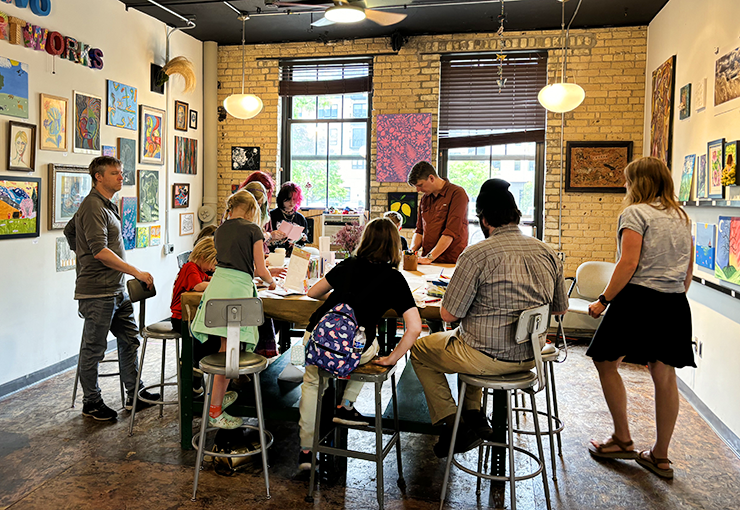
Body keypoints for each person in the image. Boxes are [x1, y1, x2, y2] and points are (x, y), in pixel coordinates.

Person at [410, 179, 568, 457]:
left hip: (488, 359)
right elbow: (559, 309)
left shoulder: (475, 254)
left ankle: (453, 425)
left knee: (422, 350)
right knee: (467, 339)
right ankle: (474, 416)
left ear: (483, 220)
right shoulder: (548, 252)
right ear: (515, 215)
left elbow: (448, 314)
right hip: (532, 354)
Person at [586, 157, 695, 479]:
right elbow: (688, 270)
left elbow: (628, 262)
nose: (625, 185)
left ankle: (622, 438)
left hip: (638, 298)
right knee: (664, 374)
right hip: (674, 301)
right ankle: (660, 456)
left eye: (627, 180)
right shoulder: (680, 215)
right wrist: (673, 296)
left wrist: (604, 300)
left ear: (639, 182)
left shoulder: (635, 213)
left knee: (606, 362)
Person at [297, 218, 423, 471]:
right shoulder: (394, 278)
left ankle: (306, 452)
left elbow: (312, 293)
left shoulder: (348, 265)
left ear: (364, 240)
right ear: (394, 247)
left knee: (312, 384)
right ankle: (346, 405)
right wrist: (393, 359)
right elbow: (415, 328)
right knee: (373, 348)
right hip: (351, 352)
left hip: (315, 340)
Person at [63, 156, 160, 421]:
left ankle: (134, 394)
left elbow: (70, 231)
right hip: (97, 292)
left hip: (116, 290)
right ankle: (91, 402)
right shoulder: (93, 206)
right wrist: (136, 272)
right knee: (94, 350)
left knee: (130, 340)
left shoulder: (105, 205)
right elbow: (100, 251)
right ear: (99, 176)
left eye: (121, 172)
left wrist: (79, 248)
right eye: (116, 173)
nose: (121, 176)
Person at [190, 190, 277, 429]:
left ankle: (218, 396)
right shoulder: (253, 229)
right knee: (230, 356)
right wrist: (272, 282)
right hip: (237, 293)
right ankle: (215, 409)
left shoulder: (220, 229)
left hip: (217, 289)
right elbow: (260, 269)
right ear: (252, 210)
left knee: (223, 349)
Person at [170, 237, 220, 395]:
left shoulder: (200, 270)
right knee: (209, 337)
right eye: (213, 263)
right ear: (204, 257)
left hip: (193, 317)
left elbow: (208, 279)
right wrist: (219, 284)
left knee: (212, 336)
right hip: (182, 318)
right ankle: (192, 365)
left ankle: (195, 365)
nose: (213, 268)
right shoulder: (190, 267)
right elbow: (198, 286)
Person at [407, 161, 469, 265]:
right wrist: (411, 252)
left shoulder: (457, 194)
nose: (418, 190)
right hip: (428, 260)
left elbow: (451, 232)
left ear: (431, 178)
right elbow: (419, 231)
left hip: (450, 262)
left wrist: (429, 258)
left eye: (420, 185)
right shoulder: (425, 199)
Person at [269, 181, 308, 256]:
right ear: (282, 198)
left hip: (295, 255)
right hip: (275, 254)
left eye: (294, 199)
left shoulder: (301, 218)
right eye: (288, 199)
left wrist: (302, 238)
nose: (291, 203)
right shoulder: (272, 215)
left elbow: (303, 242)